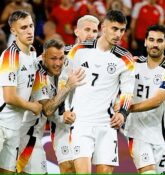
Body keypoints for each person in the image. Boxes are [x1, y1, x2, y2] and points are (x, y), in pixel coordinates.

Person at [61, 10, 135, 173]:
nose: (118, 34)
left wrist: (122, 113)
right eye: (114, 29)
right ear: (103, 27)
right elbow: (63, 81)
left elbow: (128, 92)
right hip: (81, 123)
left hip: (107, 125)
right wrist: (64, 110)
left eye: (122, 30)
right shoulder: (78, 50)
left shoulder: (125, 59)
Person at [16, 39, 85, 174]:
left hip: (31, 134)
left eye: (61, 58)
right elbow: (47, 109)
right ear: (43, 56)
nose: (58, 63)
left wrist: (63, 115)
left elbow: (51, 109)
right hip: (24, 134)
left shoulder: (54, 73)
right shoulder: (37, 73)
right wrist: (68, 87)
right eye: (53, 59)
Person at [124, 24, 165, 174]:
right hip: (137, 133)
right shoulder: (133, 64)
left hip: (161, 137)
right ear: (145, 41)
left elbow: (157, 101)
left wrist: (127, 109)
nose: (155, 44)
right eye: (151, 39)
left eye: (159, 41)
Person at [52, 14, 100, 173]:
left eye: (95, 30)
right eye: (87, 29)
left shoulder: (103, 58)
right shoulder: (62, 53)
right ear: (76, 31)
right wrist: (62, 111)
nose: (91, 34)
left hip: (87, 123)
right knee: (67, 167)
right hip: (63, 120)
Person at [0, 10, 43, 174]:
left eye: (31, 26)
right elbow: (9, 97)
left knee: (7, 171)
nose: (29, 31)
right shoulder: (10, 56)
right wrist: (32, 107)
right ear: (13, 31)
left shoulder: (32, 53)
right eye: (23, 27)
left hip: (14, 126)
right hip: (1, 123)